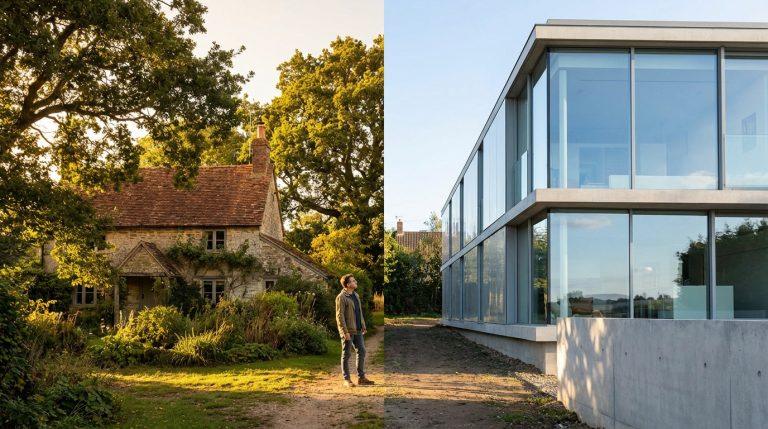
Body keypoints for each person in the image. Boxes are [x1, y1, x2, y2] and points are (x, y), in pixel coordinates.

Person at [335, 274, 375, 387]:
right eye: (353, 281)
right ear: (348, 284)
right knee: (346, 355)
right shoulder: (341, 297)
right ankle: (346, 379)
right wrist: (345, 332)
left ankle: (361, 378)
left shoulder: (355, 295)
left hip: (357, 329)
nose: (355, 281)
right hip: (348, 331)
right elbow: (339, 316)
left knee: (362, 351)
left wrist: (363, 324)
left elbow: (359, 312)